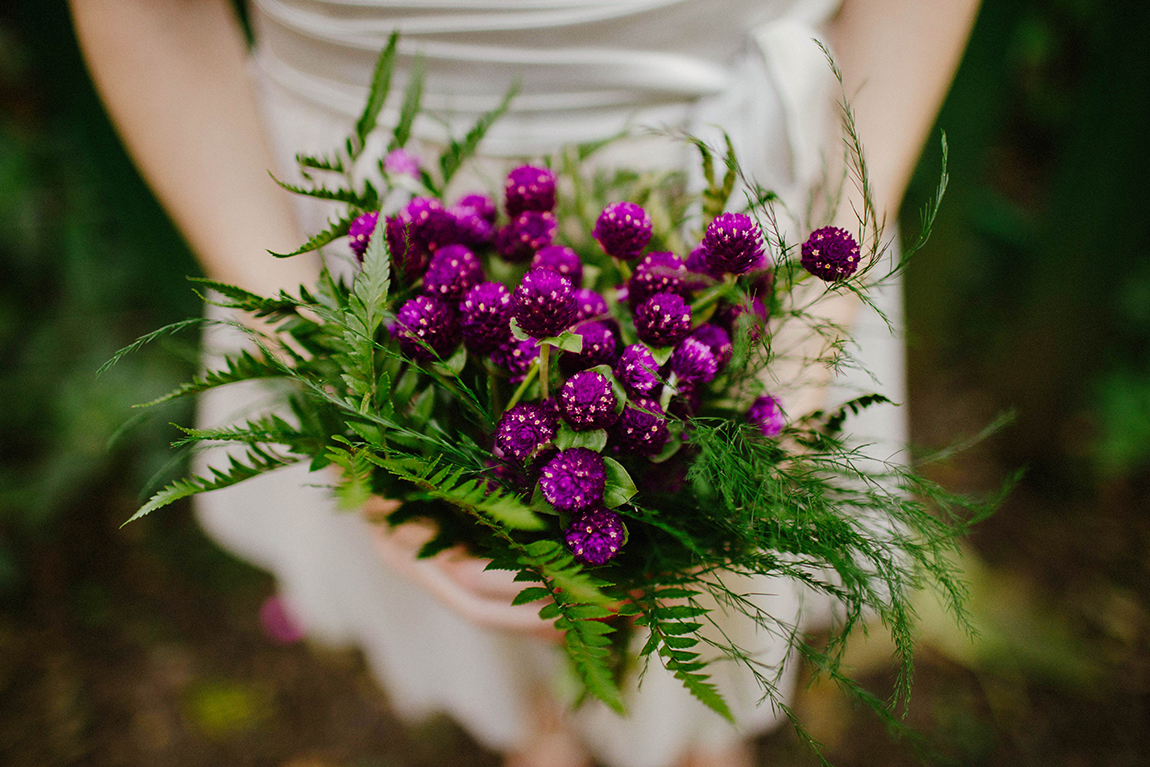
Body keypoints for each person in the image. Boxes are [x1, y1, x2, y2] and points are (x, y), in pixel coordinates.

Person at [69, 2, 980, 765]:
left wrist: (806, 336)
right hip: (374, 229)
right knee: (472, 582)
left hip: (744, 203)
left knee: (693, 613)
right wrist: (342, 379)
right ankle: (542, 730)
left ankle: (678, 737)